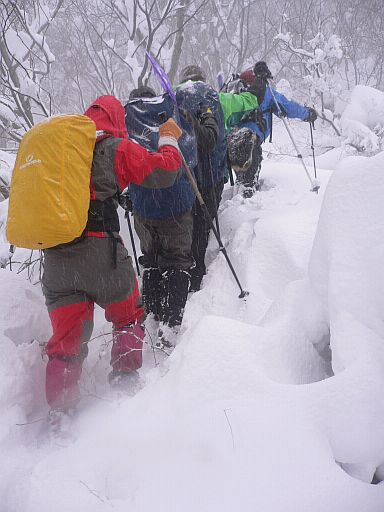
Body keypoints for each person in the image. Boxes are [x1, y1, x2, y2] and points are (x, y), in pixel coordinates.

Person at [42, 95, 182, 412]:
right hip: (101, 256)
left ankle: (60, 415)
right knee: (128, 315)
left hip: (57, 262)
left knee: (65, 344)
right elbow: (167, 170)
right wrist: (169, 138)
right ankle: (124, 382)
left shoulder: (61, 152)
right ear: (116, 121)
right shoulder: (115, 149)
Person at [127, 85, 216, 346]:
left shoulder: (130, 128)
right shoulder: (172, 120)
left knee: (152, 259)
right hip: (176, 205)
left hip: (144, 206)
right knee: (177, 261)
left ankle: (153, 315)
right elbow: (191, 157)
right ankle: (171, 323)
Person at [227, 61, 317, 197]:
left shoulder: (235, 93)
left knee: (241, 177)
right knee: (249, 182)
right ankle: (247, 208)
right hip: (251, 138)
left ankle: (238, 201)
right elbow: (287, 107)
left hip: (231, 139)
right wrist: (307, 114)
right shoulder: (265, 92)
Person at [176, 65, 223, 292]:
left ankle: (187, 273)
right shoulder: (213, 98)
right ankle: (196, 277)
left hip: (187, 176)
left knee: (189, 228)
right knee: (202, 228)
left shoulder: (177, 100)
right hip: (211, 177)